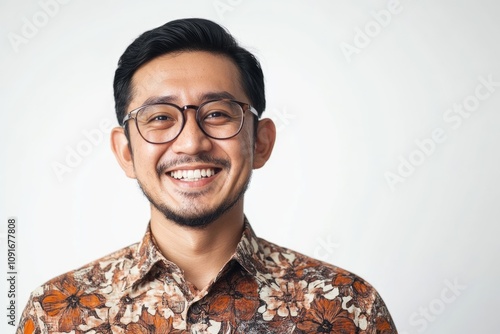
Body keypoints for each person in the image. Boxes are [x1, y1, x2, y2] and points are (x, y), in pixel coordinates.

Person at [17, 18, 397, 333]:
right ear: (126, 152)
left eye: (217, 113)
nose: (191, 143)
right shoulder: (55, 314)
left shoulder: (349, 306)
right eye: (161, 118)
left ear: (261, 142)